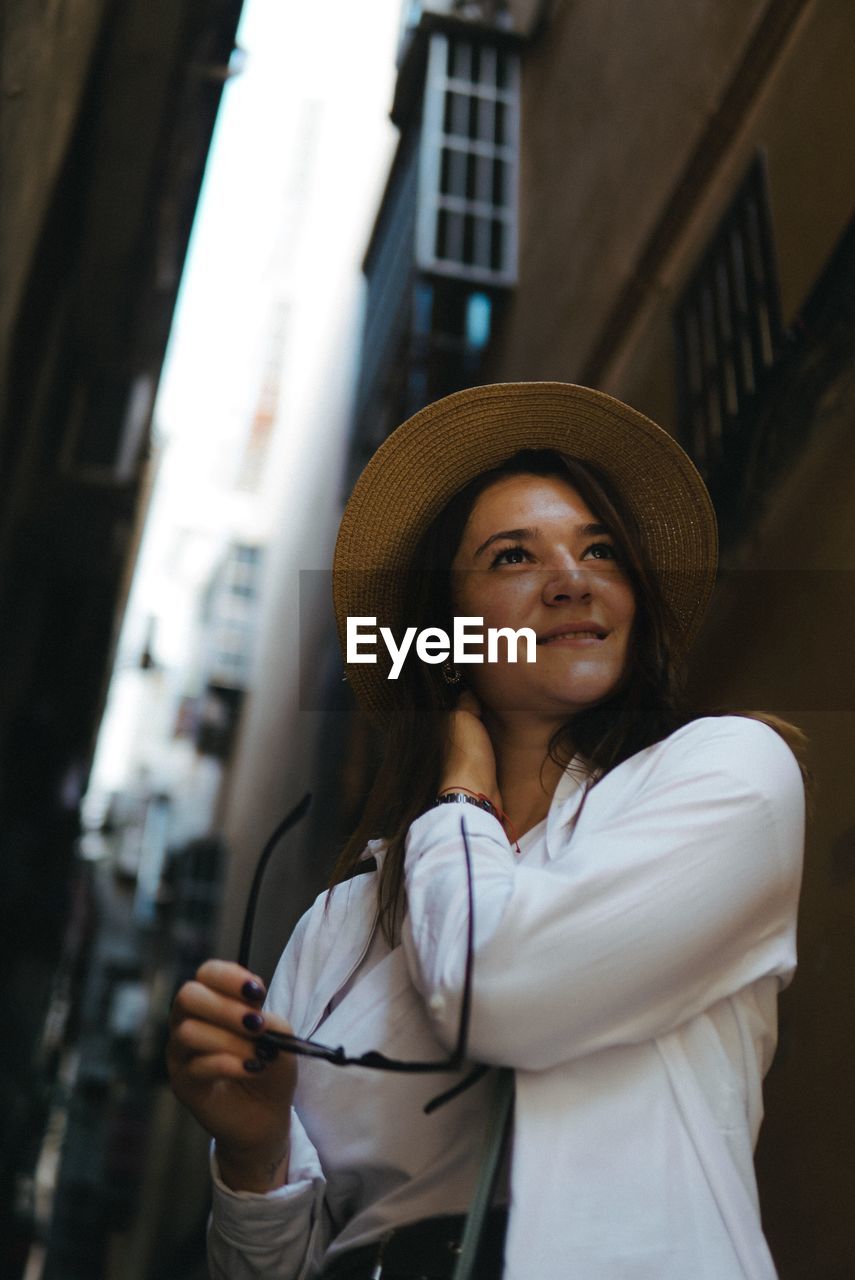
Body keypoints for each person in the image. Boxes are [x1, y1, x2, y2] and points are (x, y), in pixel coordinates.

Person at [167, 382, 805, 1280]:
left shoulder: (731, 773)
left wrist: (460, 800)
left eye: (601, 551)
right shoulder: (339, 926)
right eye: (513, 557)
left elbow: (494, 991)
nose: (571, 579)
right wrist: (251, 1152)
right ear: (445, 633)